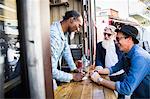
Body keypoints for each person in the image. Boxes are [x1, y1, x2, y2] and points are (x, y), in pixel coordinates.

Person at [90, 25, 150, 99]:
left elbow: (126, 88)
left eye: (118, 39)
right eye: (116, 39)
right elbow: (114, 68)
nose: (116, 42)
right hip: (137, 94)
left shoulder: (140, 58)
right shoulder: (127, 54)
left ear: (129, 39)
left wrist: (99, 80)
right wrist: (97, 71)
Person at [50, 10, 84, 83]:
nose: (78, 29)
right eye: (79, 25)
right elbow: (50, 71)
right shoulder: (54, 36)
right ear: (71, 20)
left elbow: (66, 51)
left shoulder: (63, 32)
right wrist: (73, 76)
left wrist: (74, 68)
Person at [95, 25, 125, 98]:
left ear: (114, 35)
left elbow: (123, 59)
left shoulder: (119, 45)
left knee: (121, 95)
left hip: (120, 73)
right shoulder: (100, 45)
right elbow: (98, 59)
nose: (106, 36)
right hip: (107, 74)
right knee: (107, 95)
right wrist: (99, 68)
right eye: (104, 34)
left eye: (109, 34)